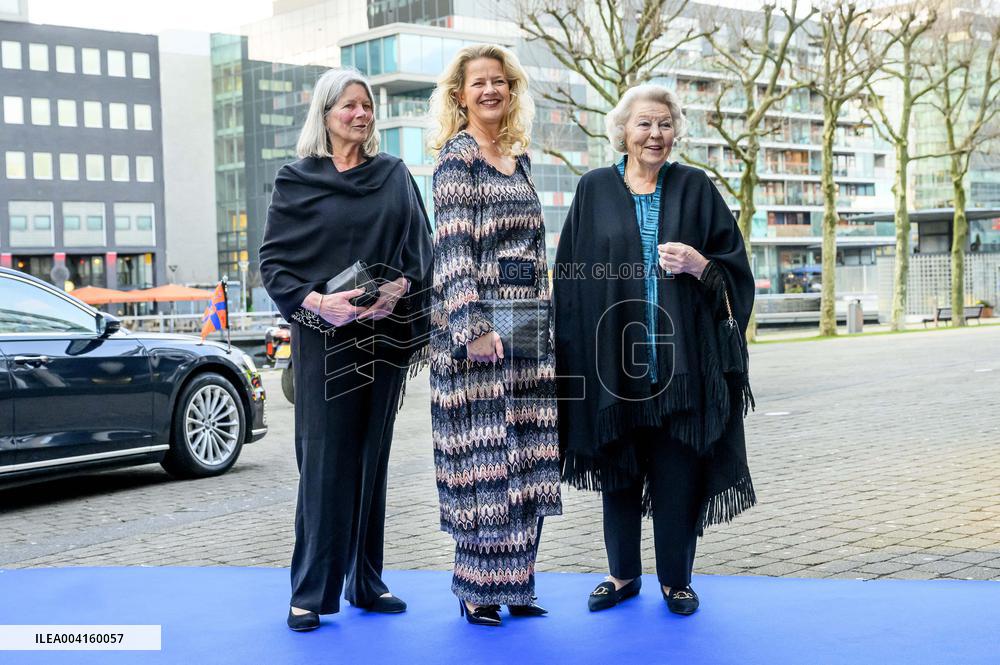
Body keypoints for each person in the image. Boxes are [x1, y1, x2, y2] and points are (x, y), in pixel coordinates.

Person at [553, 84, 756, 616]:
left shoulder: (695, 187)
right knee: (617, 467)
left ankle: (676, 580)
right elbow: (570, 276)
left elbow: (733, 268)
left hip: (681, 362)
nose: (655, 134)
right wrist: (567, 352)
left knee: (677, 470)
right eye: (644, 124)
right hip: (612, 359)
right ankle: (621, 575)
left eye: (665, 124)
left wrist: (699, 265)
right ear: (622, 130)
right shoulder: (594, 189)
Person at [259, 68, 433, 631]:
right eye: (348, 107)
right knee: (324, 464)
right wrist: (316, 303)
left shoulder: (393, 174)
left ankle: (367, 580)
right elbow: (274, 264)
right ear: (325, 115)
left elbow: (419, 248)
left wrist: (399, 289)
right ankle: (309, 591)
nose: (360, 114)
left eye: (366, 106)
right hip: (325, 337)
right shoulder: (297, 179)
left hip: (383, 336)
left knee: (371, 459)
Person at [427, 44, 562, 627]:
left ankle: (517, 584)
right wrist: (474, 327)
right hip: (476, 327)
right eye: (479, 82)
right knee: (483, 456)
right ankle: (477, 588)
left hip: (527, 321)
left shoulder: (519, 156)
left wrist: (543, 318)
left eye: (500, 82)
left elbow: (533, 248)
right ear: (459, 94)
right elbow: (451, 248)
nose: (491, 91)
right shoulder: (456, 160)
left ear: (511, 91)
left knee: (526, 451)